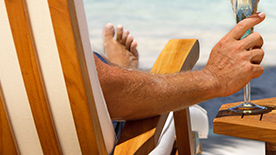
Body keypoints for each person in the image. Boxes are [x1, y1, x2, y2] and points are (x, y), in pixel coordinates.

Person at [95, 13, 265, 122]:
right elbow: (105, 93)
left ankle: (121, 72)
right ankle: (120, 73)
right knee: (187, 114)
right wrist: (214, 78)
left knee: (108, 79)